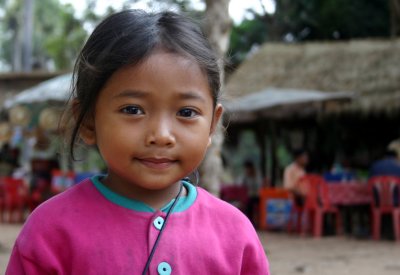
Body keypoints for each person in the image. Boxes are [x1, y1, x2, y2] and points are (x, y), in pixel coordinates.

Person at [6, 10, 269, 275]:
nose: (162, 135)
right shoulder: (51, 230)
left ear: (212, 124)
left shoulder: (235, 233)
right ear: (87, 121)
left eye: (186, 113)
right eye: (133, 110)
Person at [240, 160, 262, 225]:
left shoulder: (256, 175)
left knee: (250, 204)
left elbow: (258, 185)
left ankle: (253, 222)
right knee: (247, 203)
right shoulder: (246, 176)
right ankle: (249, 220)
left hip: (256, 195)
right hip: (249, 196)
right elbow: (242, 184)